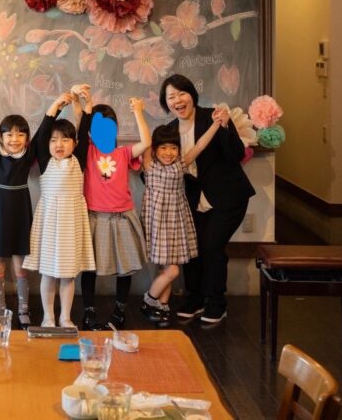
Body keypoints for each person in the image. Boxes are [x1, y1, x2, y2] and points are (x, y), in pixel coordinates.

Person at [160, 73, 253, 325]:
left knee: (211, 245)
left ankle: (216, 303)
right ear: (166, 103)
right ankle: (195, 298)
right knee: (192, 248)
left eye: (182, 93)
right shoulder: (169, 131)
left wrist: (225, 126)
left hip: (228, 196)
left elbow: (235, 155)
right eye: (171, 97)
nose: (178, 100)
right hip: (192, 199)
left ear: (192, 95)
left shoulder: (213, 116)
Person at [0, 90, 54, 328]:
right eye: (9, 134)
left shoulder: (29, 154)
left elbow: (45, 127)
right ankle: (0, 310)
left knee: (20, 268)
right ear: (0, 137)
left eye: (20, 134)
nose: (14, 139)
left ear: (27, 139)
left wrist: (57, 104)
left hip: (19, 215)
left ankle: (23, 310)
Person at [73, 86, 152, 330]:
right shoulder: (88, 152)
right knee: (89, 268)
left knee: (124, 268)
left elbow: (146, 142)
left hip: (122, 217)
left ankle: (120, 310)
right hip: (95, 217)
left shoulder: (123, 153)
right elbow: (80, 124)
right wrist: (82, 101)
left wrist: (138, 112)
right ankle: (89, 311)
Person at [23, 92, 95, 328]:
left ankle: (65, 316)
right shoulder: (46, 161)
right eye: (54, 140)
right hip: (50, 222)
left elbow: (84, 130)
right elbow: (43, 131)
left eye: (65, 140)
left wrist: (88, 105)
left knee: (68, 273)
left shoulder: (78, 160)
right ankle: (49, 316)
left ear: (75, 143)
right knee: (48, 273)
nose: (59, 144)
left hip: (72, 221)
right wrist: (55, 104)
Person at [140, 119, 220, 324]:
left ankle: (163, 306)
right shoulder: (149, 165)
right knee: (172, 270)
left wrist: (215, 125)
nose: (169, 152)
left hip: (176, 223)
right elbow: (146, 140)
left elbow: (200, 145)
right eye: (163, 148)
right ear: (155, 149)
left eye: (173, 147)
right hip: (158, 224)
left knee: (167, 269)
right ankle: (149, 300)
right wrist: (139, 111)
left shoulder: (180, 165)